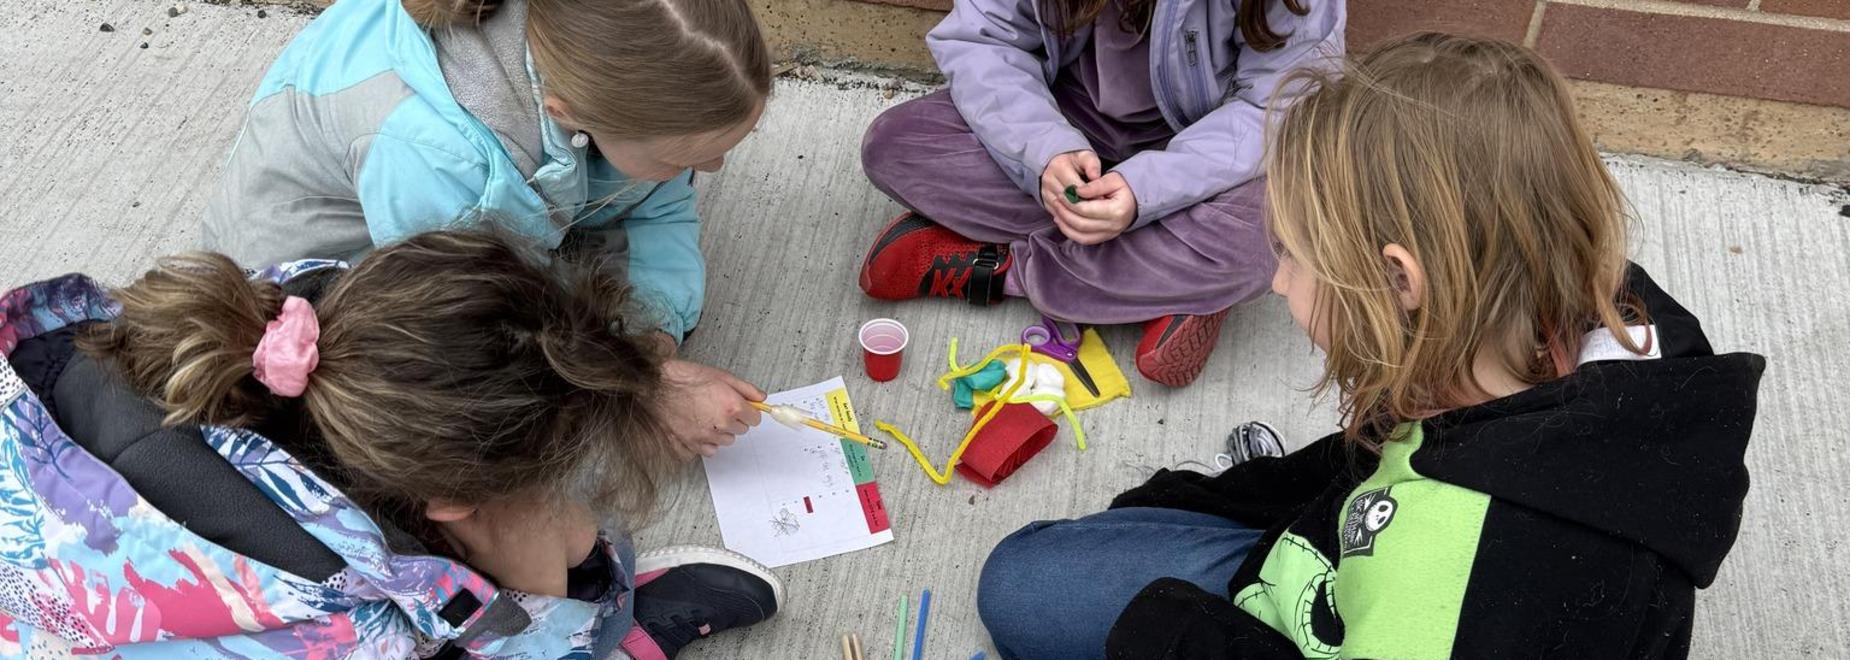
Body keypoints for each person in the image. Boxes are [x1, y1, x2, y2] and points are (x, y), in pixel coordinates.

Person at [974, 33, 1765, 659]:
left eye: (1291, 255)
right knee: (1038, 572)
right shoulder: (1532, 318)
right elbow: (1364, 465)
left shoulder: (1453, 580)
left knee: (1022, 593)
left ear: (1397, 279)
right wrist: (1202, 500)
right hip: (1350, 560)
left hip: (1382, 607)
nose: (1276, 282)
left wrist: (1173, 636)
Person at [0, 231, 779, 658]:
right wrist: (549, 610)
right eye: (564, 485)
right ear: (451, 501)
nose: (581, 514)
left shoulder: (304, 331)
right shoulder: (350, 637)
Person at [201, 0, 772, 453]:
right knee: (482, 430)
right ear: (568, 114)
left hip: (436, 212)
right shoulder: (442, 162)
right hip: (305, 286)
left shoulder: (584, 46)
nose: (713, 168)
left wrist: (653, 343)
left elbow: (656, 206)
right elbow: (495, 323)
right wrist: (638, 387)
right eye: (683, 158)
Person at [857, 0, 1344, 387]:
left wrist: (1147, 189)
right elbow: (982, 39)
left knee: (1267, 238)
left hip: (1198, 152)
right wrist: (1043, 152)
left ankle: (1002, 272)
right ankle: (1173, 286)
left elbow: (1281, 105)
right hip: (1064, 122)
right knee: (896, 146)